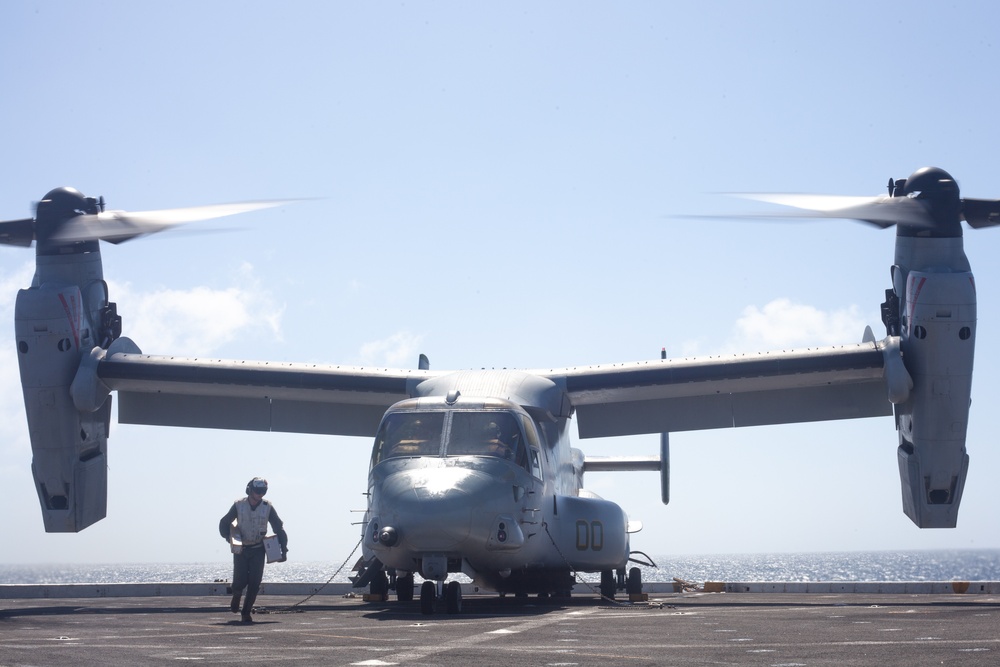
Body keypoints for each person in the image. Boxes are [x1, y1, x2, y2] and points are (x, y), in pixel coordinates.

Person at [218, 477, 288, 622]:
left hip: (258, 549)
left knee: (255, 582)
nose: (260, 494)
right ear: (250, 490)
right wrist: (229, 539)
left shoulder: (267, 507)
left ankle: (246, 612)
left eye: (263, 491)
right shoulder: (239, 506)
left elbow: (278, 528)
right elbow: (224, 523)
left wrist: (284, 550)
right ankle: (236, 594)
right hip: (241, 550)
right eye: (258, 491)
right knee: (239, 580)